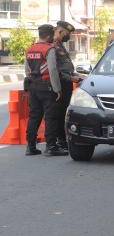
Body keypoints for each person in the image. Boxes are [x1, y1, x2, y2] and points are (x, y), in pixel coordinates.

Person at [25, 24, 68, 156]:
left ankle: (30, 147)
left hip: (33, 86)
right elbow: (53, 70)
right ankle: (51, 146)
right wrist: (57, 89)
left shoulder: (30, 49)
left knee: (34, 116)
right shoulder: (49, 49)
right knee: (50, 116)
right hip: (46, 86)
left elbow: (27, 71)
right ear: (49, 36)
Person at [54, 21, 79, 150]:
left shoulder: (60, 45)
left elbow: (66, 67)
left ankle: (62, 139)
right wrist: (71, 78)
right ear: (60, 31)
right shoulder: (53, 46)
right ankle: (60, 140)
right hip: (61, 84)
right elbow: (56, 70)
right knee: (60, 113)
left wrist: (77, 75)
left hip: (67, 82)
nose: (68, 36)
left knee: (64, 112)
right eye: (67, 33)